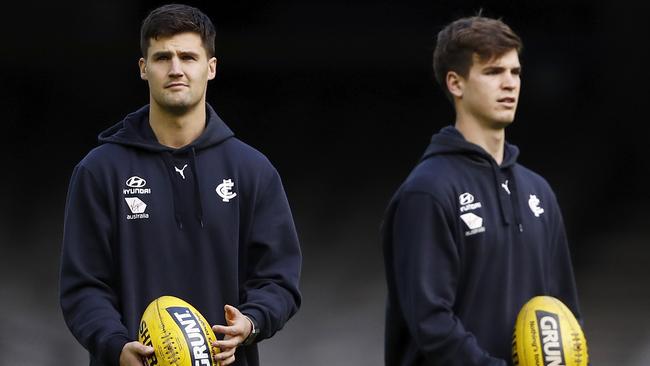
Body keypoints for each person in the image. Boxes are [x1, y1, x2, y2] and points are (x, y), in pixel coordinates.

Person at [59, 4, 301, 366]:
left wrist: (251, 323)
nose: (175, 69)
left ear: (211, 67)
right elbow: (83, 287)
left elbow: (279, 280)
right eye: (162, 57)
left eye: (188, 57)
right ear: (144, 69)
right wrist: (116, 344)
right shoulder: (99, 171)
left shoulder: (253, 170)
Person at [381, 15, 582, 365]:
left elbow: (564, 310)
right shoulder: (427, 191)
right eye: (493, 72)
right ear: (455, 84)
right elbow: (431, 322)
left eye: (515, 72)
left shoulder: (539, 192)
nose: (510, 84)